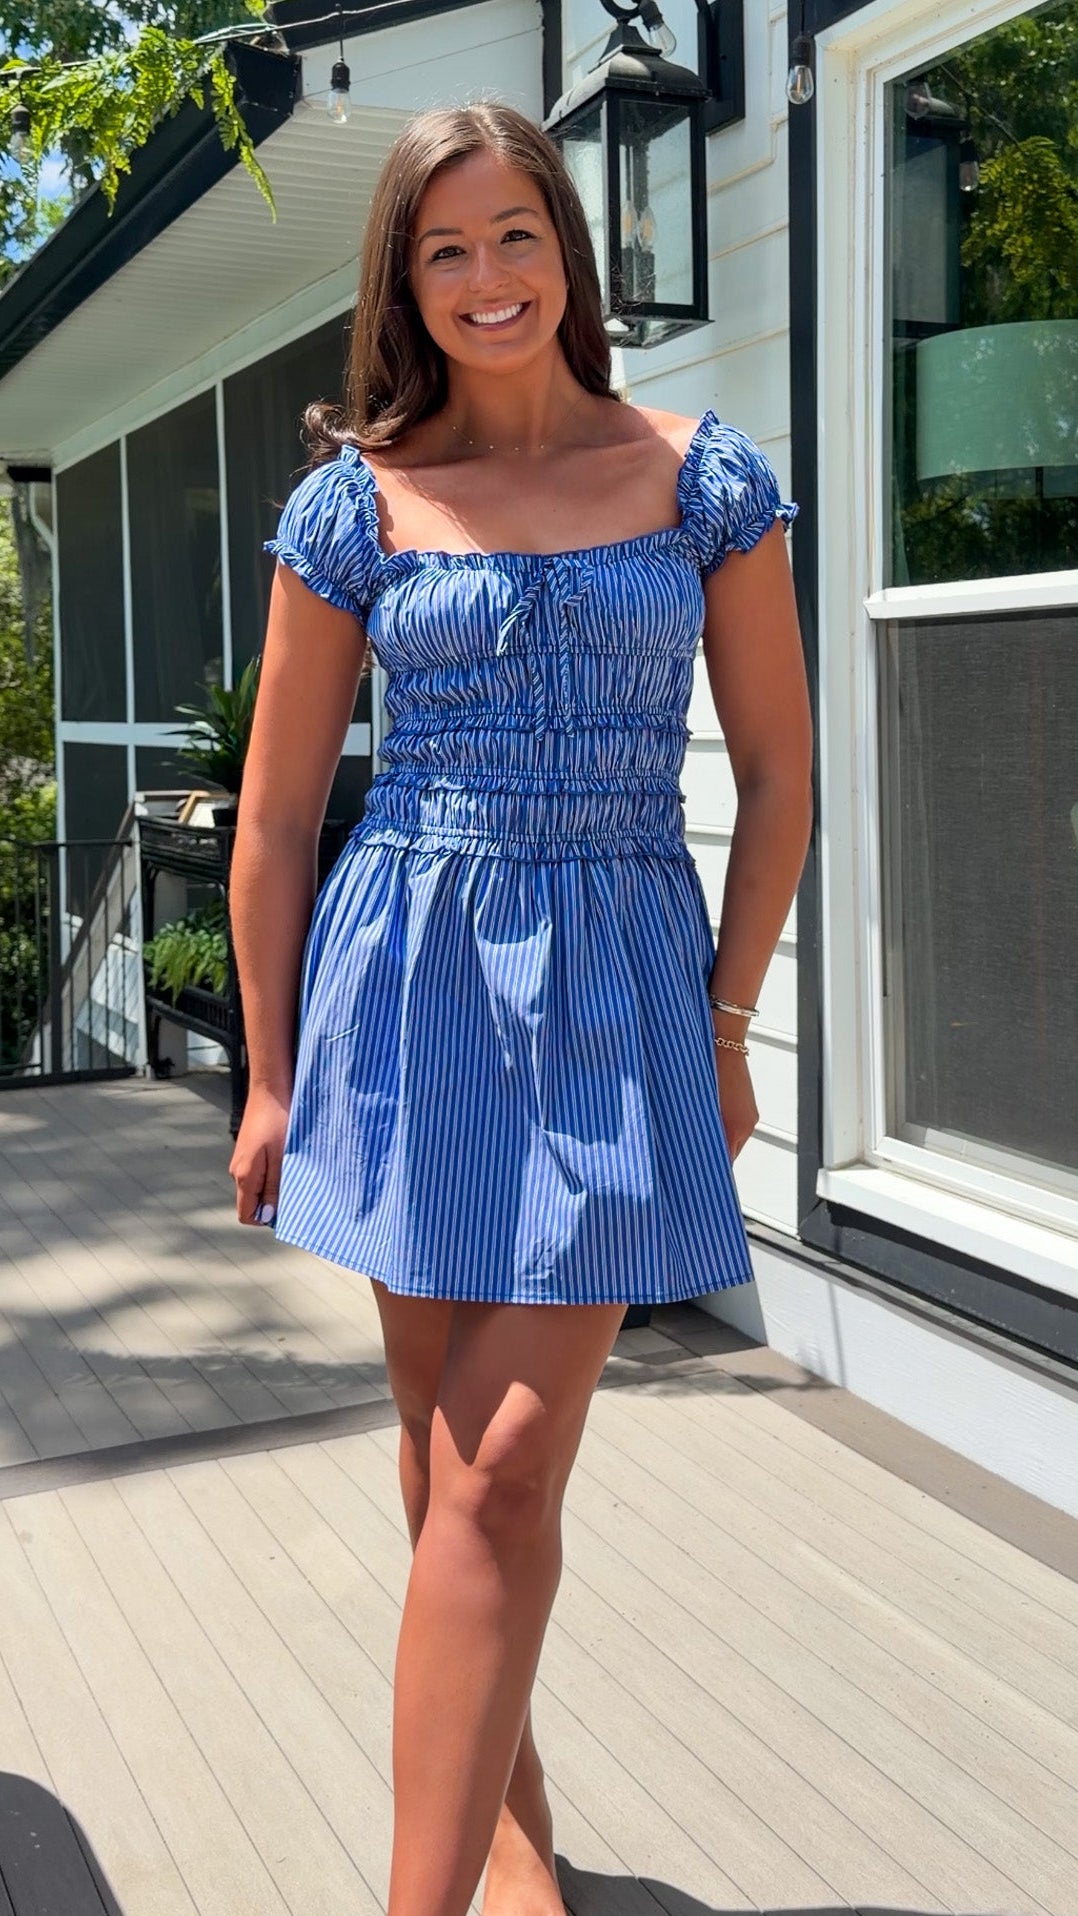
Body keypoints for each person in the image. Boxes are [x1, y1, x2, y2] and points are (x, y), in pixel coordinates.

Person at [228, 100, 812, 1916]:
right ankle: (507, 1830)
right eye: (444, 248)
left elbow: (781, 779)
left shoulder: (699, 475)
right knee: (440, 1457)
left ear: (570, 252)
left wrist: (723, 1025)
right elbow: (273, 813)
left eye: (515, 238)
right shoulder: (355, 501)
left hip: (616, 990)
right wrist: (265, 1078)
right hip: (406, 986)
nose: (486, 280)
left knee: (498, 1470)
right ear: (405, 279)